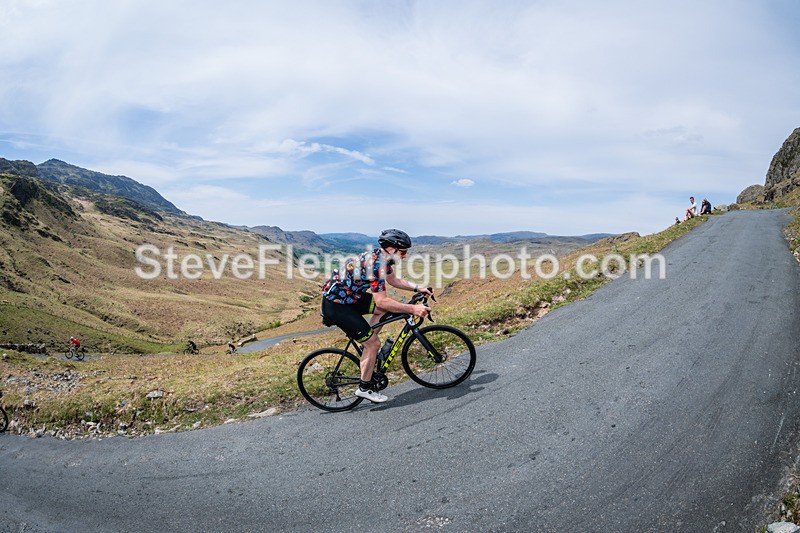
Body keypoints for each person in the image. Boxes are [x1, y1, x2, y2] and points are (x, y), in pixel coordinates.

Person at [321, 229, 432, 403]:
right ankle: (364, 387)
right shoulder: (375, 264)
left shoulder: (382, 258)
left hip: (349, 298)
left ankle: (368, 347)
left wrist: (418, 288)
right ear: (391, 249)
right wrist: (412, 308)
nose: (404, 256)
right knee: (374, 343)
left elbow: (394, 280)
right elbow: (381, 301)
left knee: (381, 314)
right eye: (402, 252)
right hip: (337, 306)